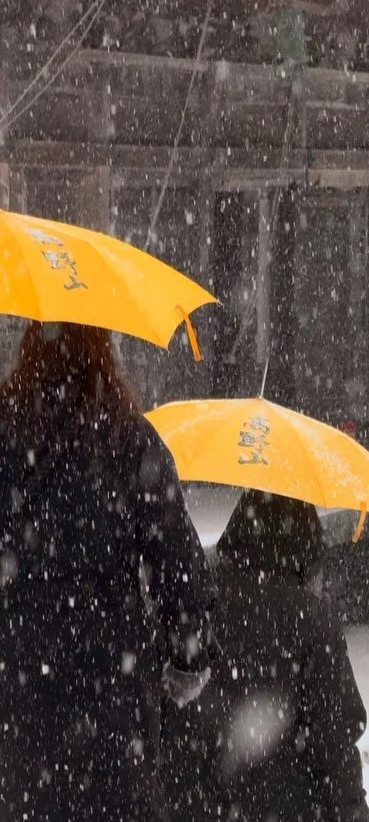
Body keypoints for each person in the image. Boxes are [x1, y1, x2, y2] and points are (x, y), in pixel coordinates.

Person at [0, 322, 214, 821]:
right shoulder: (129, 439)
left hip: (19, 689)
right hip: (113, 698)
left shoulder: (5, 435)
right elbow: (179, 567)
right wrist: (187, 657)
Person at [163, 489, 369, 822]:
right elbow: (334, 743)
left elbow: (167, 716)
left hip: (194, 805)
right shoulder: (311, 622)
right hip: (284, 808)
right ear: (307, 545)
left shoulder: (196, 606)